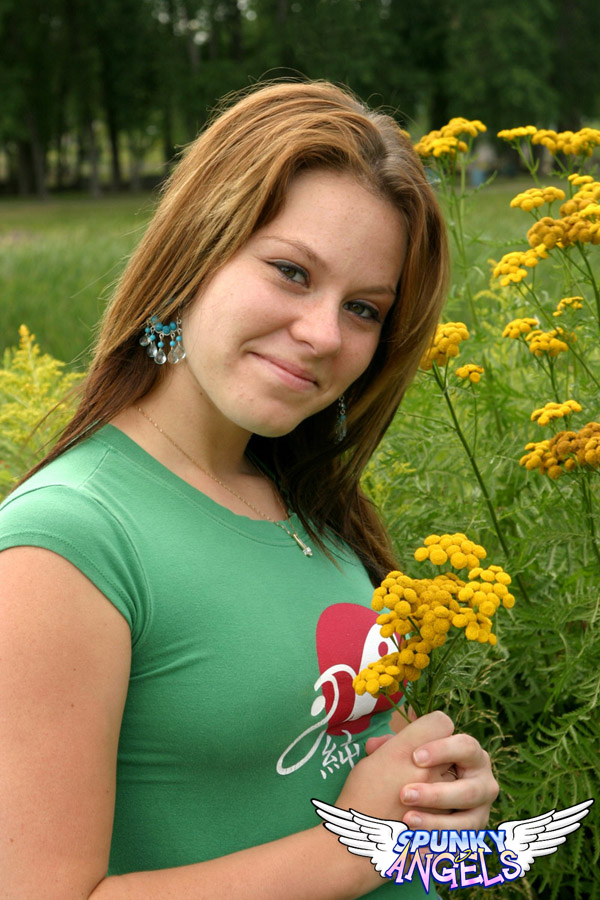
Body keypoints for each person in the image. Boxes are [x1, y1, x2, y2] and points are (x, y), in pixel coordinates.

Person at [0, 80, 498, 899]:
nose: (323, 334)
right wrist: (358, 848)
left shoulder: (307, 504)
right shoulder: (70, 541)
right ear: (196, 253)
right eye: (291, 272)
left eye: (364, 309)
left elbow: (340, 752)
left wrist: (436, 791)